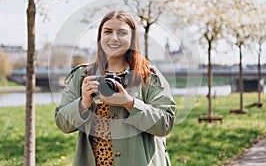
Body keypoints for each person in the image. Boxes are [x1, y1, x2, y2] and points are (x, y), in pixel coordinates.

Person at [55, 10, 176, 166]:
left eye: (122, 33)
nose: (114, 38)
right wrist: (83, 103)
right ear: (100, 37)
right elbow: (62, 123)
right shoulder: (82, 75)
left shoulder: (149, 76)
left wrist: (129, 103)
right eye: (107, 32)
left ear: (132, 39)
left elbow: (164, 125)